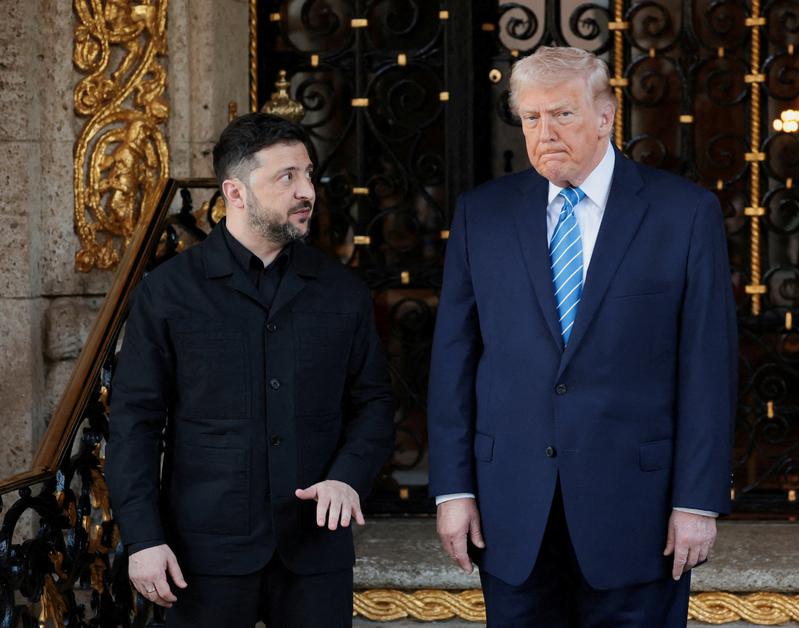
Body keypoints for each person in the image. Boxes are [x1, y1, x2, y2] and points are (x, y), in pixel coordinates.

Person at [428, 46, 737, 627]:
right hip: (511, 511)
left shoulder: (683, 213)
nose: (545, 133)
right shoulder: (482, 214)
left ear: (605, 116)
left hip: (639, 515)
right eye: (531, 118)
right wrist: (453, 490)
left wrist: (697, 501)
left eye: (562, 115)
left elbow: (707, 367)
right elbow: (454, 361)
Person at [106, 112, 394, 627]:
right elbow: (135, 422)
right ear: (235, 192)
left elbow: (373, 403)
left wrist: (348, 478)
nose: (307, 191)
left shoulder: (343, 291)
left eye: (308, 174)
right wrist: (144, 538)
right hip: (202, 555)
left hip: (315, 551)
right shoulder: (168, 292)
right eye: (287, 177)